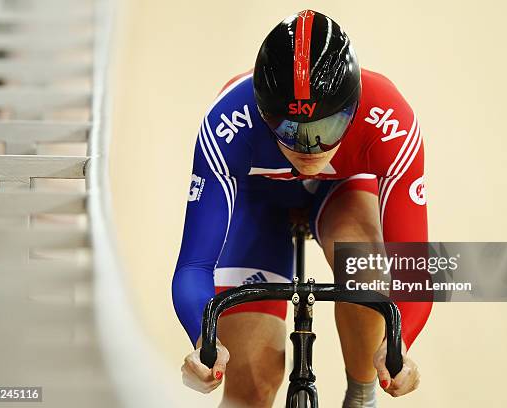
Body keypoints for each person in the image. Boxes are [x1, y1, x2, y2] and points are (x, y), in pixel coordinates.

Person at [173, 10, 432, 407]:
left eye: (325, 130)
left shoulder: (391, 120)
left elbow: (411, 266)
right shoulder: (227, 121)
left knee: (361, 260)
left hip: (342, 192)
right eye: (290, 131)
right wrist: (203, 341)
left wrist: (399, 345)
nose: (308, 148)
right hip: (259, 199)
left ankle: (362, 396)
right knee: (250, 390)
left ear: (354, 108)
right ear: (262, 112)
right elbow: (193, 265)